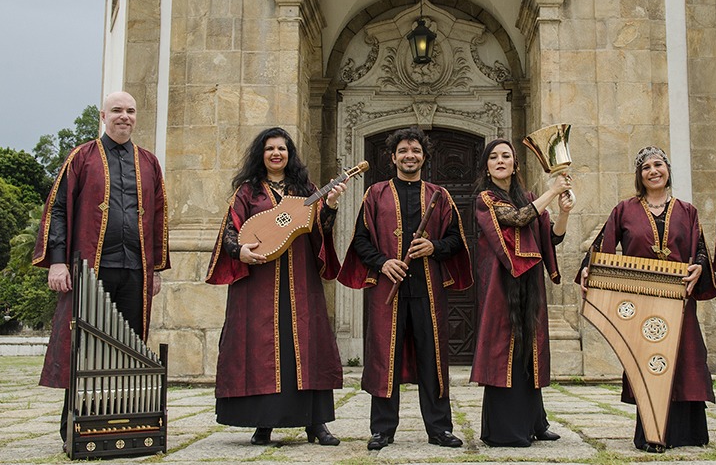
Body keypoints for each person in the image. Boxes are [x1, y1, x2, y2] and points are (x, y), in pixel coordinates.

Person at [33, 91, 170, 446]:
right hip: (90, 268)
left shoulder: (149, 162)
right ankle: (75, 426)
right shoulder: (82, 157)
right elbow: (58, 208)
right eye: (117, 110)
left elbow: (158, 216)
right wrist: (58, 260)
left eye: (130, 111)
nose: (124, 116)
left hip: (135, 270)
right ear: (103, 116)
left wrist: (156, 268)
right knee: (83, 345)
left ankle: (120, 423)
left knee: (129, 346)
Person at [205, 127, 347, 446]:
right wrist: (239, 251)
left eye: (281, 148)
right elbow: (230, 230)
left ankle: (316, 423)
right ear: (262, 154)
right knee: (261, 349)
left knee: (306, 346)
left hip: (301, 281)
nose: (276, 154)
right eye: (270, 148)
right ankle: (263, 423)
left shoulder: (305, 189)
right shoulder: (248, 192)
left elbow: (320, 229)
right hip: (259, 284)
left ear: (289, 154)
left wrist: (331, 205)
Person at [338, 126, 472, 450]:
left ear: (424, 157)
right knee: (384, 359)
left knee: (433, 359)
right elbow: (360, 240)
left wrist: (434, 247)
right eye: (403, 151)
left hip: (429, 290)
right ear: (393, 157)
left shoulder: (440, 195)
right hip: (388, 290)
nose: (409, 156)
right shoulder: (375, 194)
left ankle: (439, 429)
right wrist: (383, 262)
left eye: (415, 151)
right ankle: (382, 430)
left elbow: (456, 239)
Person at [580, 146, 716, 452]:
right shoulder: (624, 210)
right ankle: (652, 432)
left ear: (667, 169)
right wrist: (590, 268)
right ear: (639, 176)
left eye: (658, 165)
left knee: (685, 358)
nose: (653, 171)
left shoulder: (688, 211)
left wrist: (699, 267)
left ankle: (688, 432)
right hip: (638, 298)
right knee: (648, 362)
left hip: (678, 297)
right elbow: (602, 245)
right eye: (646, 168)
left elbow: (701, 251)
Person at [470, 139, 572, 447]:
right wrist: (552, 191)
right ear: (487, 168)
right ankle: (506, 430)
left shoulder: (527, 198)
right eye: (493, 157)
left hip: (529, 282)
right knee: (506, 349)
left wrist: (564, 212)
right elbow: (517, 219)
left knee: (530, 350)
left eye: (506, 156)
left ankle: (536, 422)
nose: (500, 161)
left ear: (515, 165)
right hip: (501, 283)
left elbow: (550, 237)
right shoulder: (485, 199)